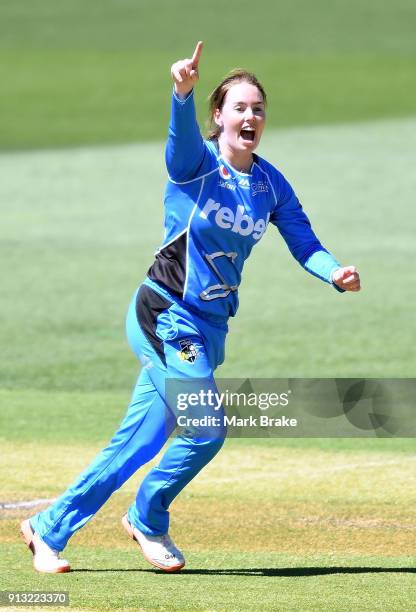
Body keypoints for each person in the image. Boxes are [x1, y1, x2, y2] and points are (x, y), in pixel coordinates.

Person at [20, 41, 361, 574]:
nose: (251, 117)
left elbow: (304, 242)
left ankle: (49, 528)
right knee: (207, 428)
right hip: (163, 314)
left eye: (259, 108)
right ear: (219, 117)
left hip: (207, 329)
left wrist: (335, 272)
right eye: (240, 108)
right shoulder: (195, 166)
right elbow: (180, 140)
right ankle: (147, 517)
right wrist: (181, 93)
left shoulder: (269, 184)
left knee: (140, 442)